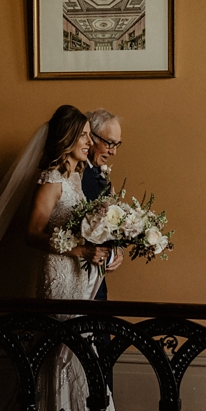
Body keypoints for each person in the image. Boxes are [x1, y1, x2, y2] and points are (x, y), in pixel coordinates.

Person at [0, 105, 134, 411]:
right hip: (60, 274)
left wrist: (109, 248)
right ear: (67, 140)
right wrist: (80, 250)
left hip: (83, 275)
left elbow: (97, 224)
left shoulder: (79, 177)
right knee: (60, 351)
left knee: (84, 352)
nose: (91, 142)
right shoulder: (51, 176)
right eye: (85, 137)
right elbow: (33, 232)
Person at [82, 108, 125, 300]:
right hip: (78, 278)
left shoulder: (102, 177)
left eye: (117, 145)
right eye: (109, 143)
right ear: (91, 137)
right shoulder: (73, 174)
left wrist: (119, 250)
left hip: (98, 280)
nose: (114, 151)